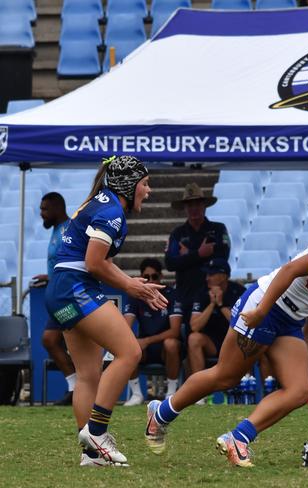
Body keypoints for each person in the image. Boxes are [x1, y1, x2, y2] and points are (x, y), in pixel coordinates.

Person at [145, 201, 308, 467]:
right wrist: (260, 312)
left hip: (290, 319)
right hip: (266, 307)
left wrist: (307, 335)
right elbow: (289, 270)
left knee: (300, 390)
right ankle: (161, 413)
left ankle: (238, 438)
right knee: (226, 376)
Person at [45, 155, 167, 467]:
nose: (149, 190)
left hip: (62, 287)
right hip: (76, 286)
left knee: (88, 374)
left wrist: (129, 280)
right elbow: (94, 262)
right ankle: (97, 433)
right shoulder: (112, 212)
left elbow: (95, 259)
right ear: (129, 185)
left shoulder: (101, 202)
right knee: (130, 352)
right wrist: (131, 287)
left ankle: (92, 456)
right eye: (145, 184)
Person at [165, 183, 230, 328]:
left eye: (197, 204)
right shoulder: (178, 233)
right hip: (186, 293)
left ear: (204, 205)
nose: (194, 208)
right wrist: (198, 254)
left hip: (212, 292)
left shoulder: (218, 229)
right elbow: (170, 263)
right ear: (184, 208)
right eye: (189, 205)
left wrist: (187, 255)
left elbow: (222, 257)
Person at [123, 258, 183, 406]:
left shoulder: (171, 294)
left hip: (165, 347)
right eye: (146, 277)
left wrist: (146, 341)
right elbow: (125, 326)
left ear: (161, 276)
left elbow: (174, 331)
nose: (150, 280)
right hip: (145, 349)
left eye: (154, 276)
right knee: (126, 345)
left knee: (171, 344)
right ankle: (136, 394)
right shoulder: (135, 296)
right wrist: (134, 341)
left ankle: (171, 393)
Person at [36, 192, 75, 405]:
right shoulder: (56, 230)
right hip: (58, 296)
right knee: (51, 340)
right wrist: (49, 277)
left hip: (68, 296)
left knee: (55, 339)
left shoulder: (67, 231)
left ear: (58, 208)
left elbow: (73, 264)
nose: (42, 213)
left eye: (45, 209)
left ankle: (81, 387)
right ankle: (76, 386)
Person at [187, 258, 245, 382]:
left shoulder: (239, 292)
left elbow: (242, 325)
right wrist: (212, 304)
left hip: (235, 341)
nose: (207, 278)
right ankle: (199, 389)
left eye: (211, 274)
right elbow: (194, 327)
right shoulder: (202, 293)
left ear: (223, 276)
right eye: (207, 274)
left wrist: (221, 304)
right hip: (212, 343)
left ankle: (245, 389)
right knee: (194, 338)